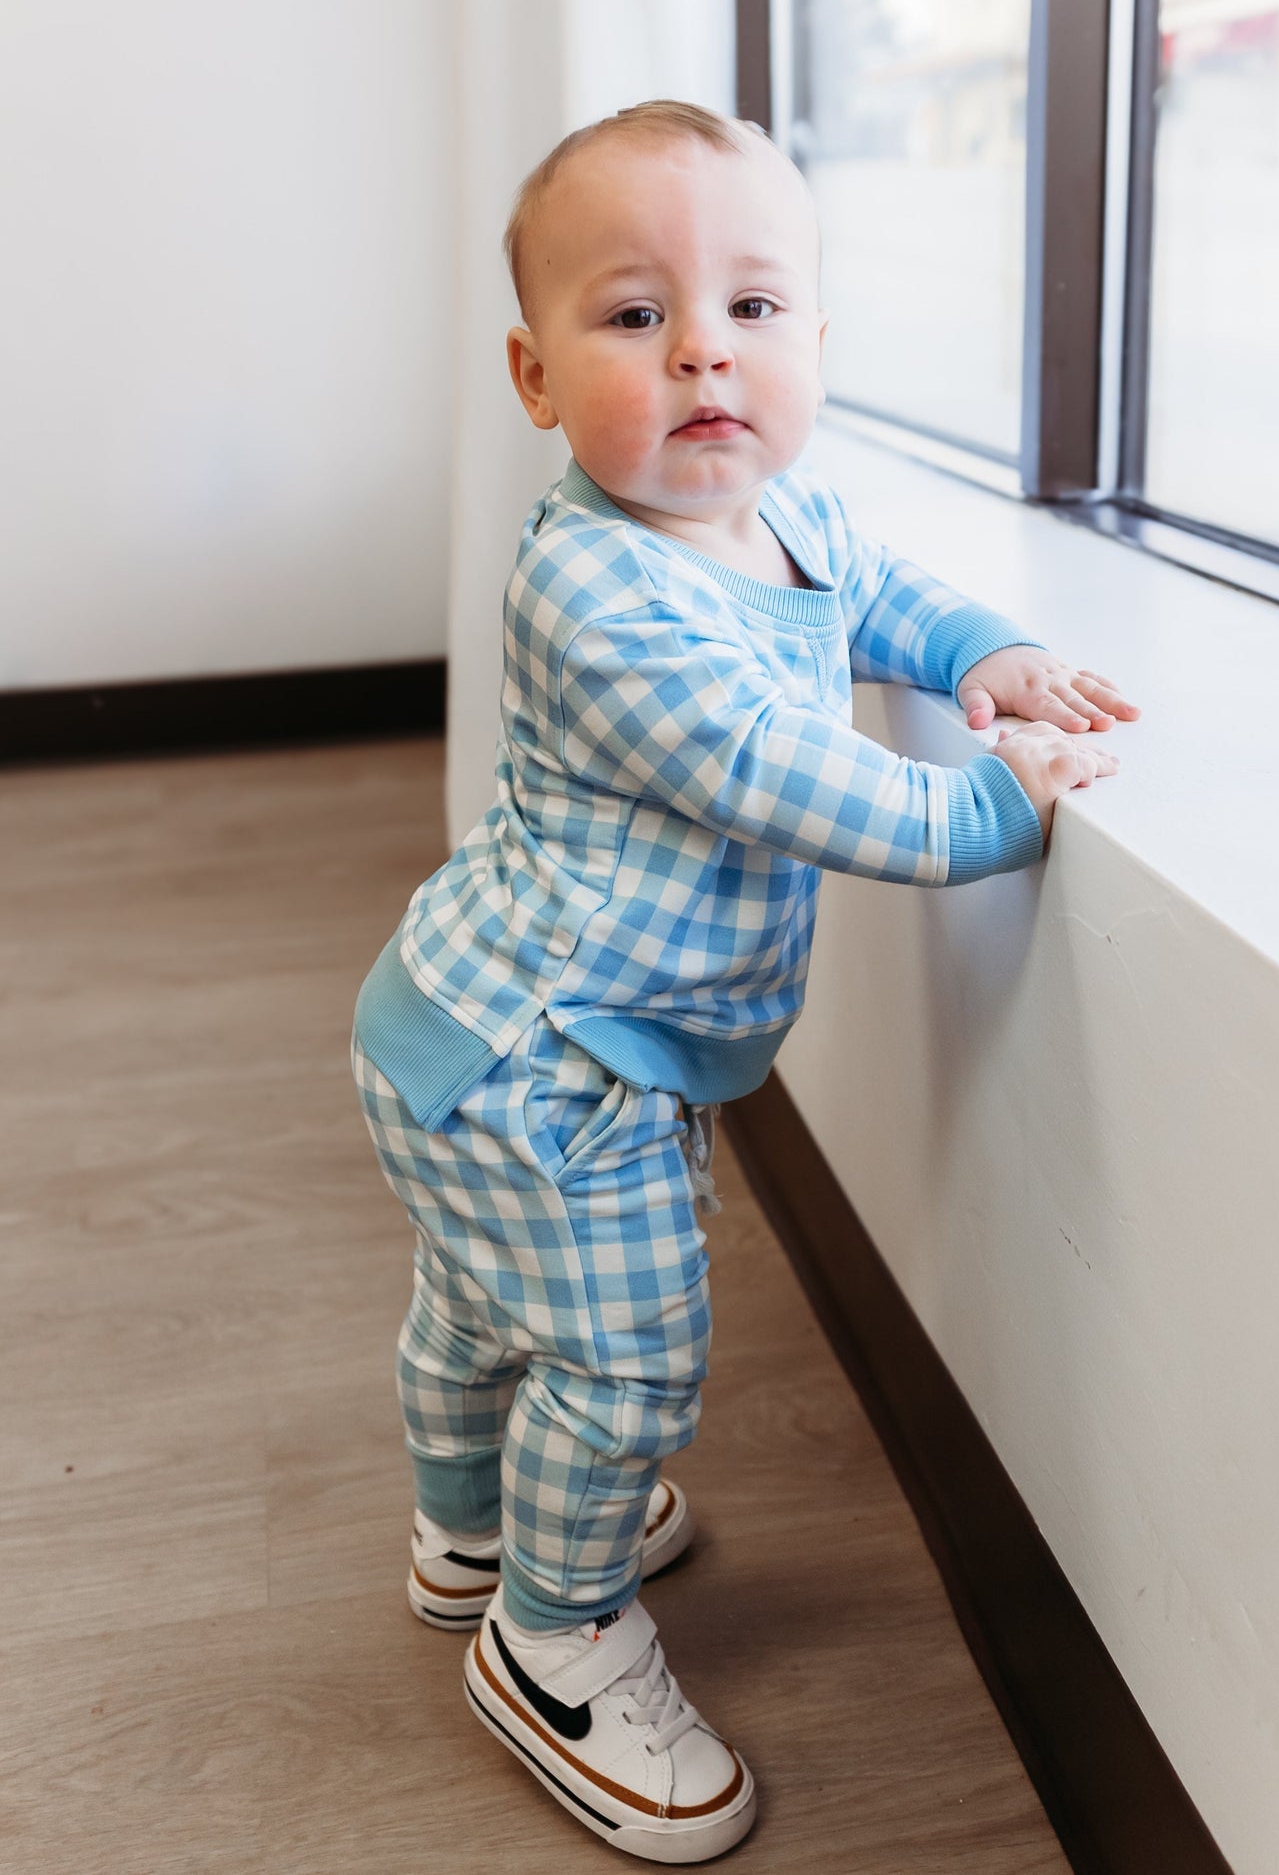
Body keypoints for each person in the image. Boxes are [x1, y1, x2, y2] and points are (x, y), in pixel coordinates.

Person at [350, 99, 1138, 1862]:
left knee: (489, 1309)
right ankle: (549, 1641)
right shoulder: (601, 595)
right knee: (626, 1366)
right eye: (634, 317)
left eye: (753, 309)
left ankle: (468, 1529)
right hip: (543, 1061)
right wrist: (994, 804)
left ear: (815, 347)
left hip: (504, 1035)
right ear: (536, 376)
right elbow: (799, 784)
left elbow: (883, 598)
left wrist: (993, 655)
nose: (704, 346)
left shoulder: (777, 518)